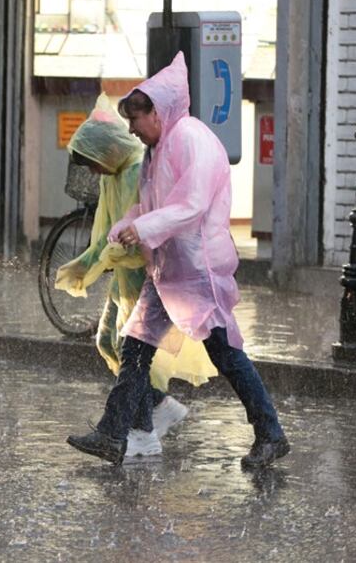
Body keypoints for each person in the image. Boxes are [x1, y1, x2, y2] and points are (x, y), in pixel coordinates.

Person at [66, 52, 289, 468]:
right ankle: (113, 433)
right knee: (134, 348)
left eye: (136, 119)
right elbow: (147, 204)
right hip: (167, 271)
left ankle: (270, 433)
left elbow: (191, 204)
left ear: (158, 111)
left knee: (226, 355)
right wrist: (129, 224)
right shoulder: (157, 149)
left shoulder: (191, 138)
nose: (131, 129)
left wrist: (144, 226)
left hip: (198, 270)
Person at [56, 94, 217, 459]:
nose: (94, 172)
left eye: (94, 163)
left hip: (147, 276)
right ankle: (153, 412)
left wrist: (99, 259)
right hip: (131, 278)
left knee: (131, 349)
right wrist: (94, 259)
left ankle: (139, 428)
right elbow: (112, 228)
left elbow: (141, 228)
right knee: (114, 344)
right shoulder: (117, 175)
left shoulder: (134, 172)